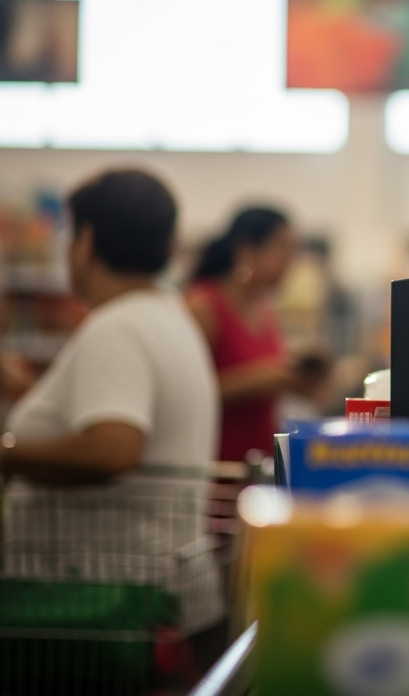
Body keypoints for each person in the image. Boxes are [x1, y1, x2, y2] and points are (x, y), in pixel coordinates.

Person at [0, 169, 223, 638]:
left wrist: (7, 453)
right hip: (151, 591)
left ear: (87, 240)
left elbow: (112, 449)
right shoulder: (166, 314)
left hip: (106, 603)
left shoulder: (116, 328)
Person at [187, 207, 326, 463]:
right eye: (281, 247)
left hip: (258, 461)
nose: (289, 261)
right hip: (216, 464)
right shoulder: (203, 305)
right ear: (247, 250)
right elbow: (188, 392)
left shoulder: (264, 310)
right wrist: (267, 377)